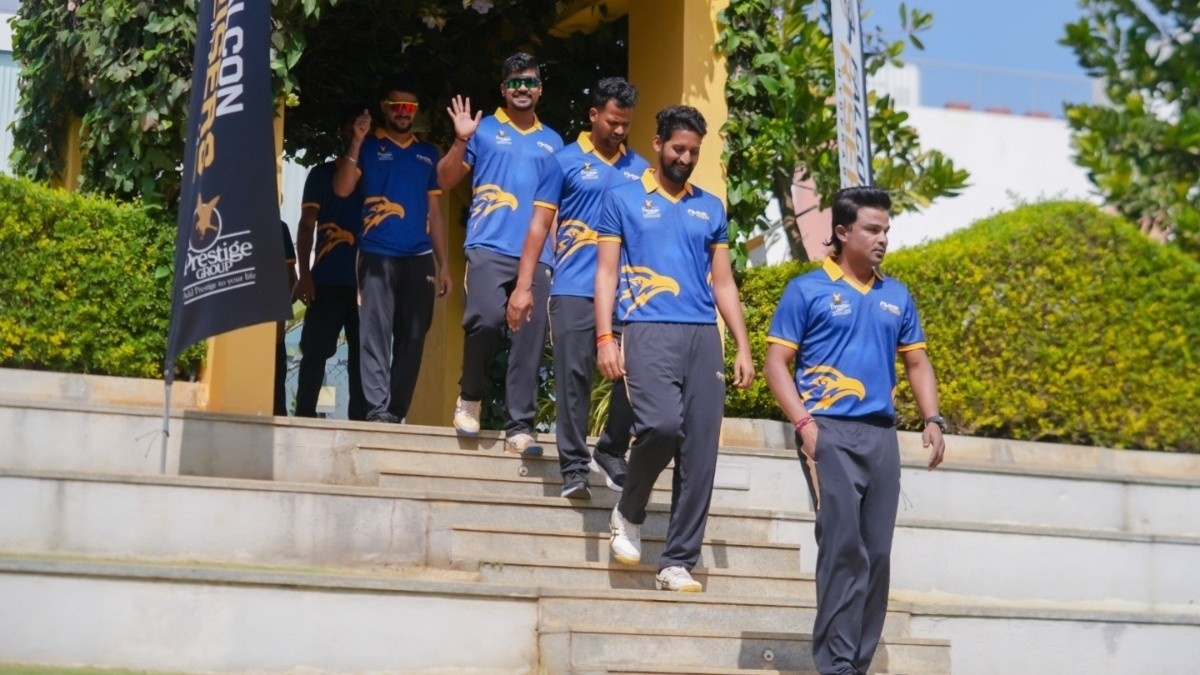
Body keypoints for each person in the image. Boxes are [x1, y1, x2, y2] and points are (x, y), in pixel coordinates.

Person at [761, 185, 947, 675]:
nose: (883, 238)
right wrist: (805, 425)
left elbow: (918, 363)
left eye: (886, 230)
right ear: (842, 232)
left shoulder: (896, 295)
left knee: (877, 555)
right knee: (843, 547)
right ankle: (836, 664)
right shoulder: (806, 289)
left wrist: (932, 418)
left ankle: (856, 664)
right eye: (872, 229)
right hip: (829, 433)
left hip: (881, 437)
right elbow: (776, 364)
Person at [594, 105, 755, 593]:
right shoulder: (622, 198)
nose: (685, 158)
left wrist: (742, 345)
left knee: (700, 452)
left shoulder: (711, 208)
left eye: (694, 152)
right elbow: (606, 273)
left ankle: (677, 562)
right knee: (661, 427)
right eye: (678, 149)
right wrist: (605, 337)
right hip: (646, 329)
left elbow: (723, 282)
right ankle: (629, 512)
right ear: (658, 143)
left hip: (702, 335)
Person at [507, 76, 649, 498]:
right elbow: (538, 226)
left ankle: (611, 449)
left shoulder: (641, 170)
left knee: (638, 372)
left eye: (626, 124)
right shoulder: (563, 161)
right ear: (593, 115)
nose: (619, 130)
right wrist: (524, 286)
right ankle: (573, 466)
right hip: (572, 288)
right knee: (573, 378)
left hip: (626, 295)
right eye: (612, 121)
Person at [438, 52, 564, 454]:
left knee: (529, 339)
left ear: (540, 89)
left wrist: (557, 257)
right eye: (514, 82)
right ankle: (470, 398)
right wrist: (461, 138)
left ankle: (520, 428)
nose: (522, 88)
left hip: (539, 256)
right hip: (489, 246)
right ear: (503, 89)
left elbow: (554, 207)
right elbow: (445, 179)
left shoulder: (553, 142)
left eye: (529, 82)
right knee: (486, 321)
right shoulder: (484, 130)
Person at [334, 81, 451, 424]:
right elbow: (342, 188)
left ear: (416, 113)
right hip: (376, 253)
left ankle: (395, 412)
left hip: (419, 257)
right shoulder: (368, 146)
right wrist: (356, 140)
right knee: (375, 332)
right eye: (396, 106)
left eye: (409, 108)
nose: (403, 112)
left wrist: (444, 264)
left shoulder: (428, 153)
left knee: (414, 336)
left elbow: (435, 213)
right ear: (384, 108)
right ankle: (377, 409)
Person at [293, 111, 368, 421]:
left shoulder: (376, 176)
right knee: (314, 352)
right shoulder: (321, 174)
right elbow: (306, 224)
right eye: (352, 127)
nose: (358, 133)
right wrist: (304, 274)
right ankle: (304, 416)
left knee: (363, 358)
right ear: (342, 131)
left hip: (367, 286)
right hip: (326, 280)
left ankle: (361, 423)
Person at [275, 220, 298, 417]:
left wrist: (280, 317)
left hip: (270, 323)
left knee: (275, 398)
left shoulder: (279, 227)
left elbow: (291, 278)